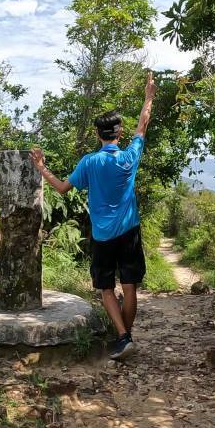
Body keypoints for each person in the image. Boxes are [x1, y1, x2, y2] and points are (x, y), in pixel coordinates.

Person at [30, 70, 157, 360]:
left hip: (102, 235)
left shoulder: (89, 162)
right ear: (118, 133)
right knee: (129, 285)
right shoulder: (129, 156)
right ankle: (126, 337)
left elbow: (62, 188)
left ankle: (123, 336)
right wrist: (148, 96)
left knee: (105, 288)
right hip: (130, 232)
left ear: (98, 134)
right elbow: (143, 125)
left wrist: (41, 168)